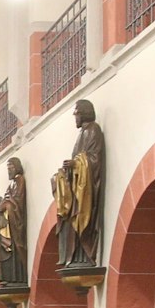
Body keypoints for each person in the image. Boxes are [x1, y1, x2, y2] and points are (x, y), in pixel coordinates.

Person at [52, 100, 106, 271]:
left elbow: (93, 159)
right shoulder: (82, 134)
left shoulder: (93, 130)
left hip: (86, 191)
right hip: (78, 189)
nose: (74, 117)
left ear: (84, 113)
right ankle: (74, 257)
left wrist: (76, 165)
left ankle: (84, 257)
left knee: (81, 217)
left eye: (76, 113)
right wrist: (65, 172)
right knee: (68, 216)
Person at [0, 157, 27, 288]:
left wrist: (7, 205)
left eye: (10, 168)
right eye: (7, 169)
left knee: (13, 249)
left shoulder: (20, 180)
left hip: (14, 226)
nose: (9, 171)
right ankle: (7, 277)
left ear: (16, 167)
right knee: (3, 247)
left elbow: (17, 201)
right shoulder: (10, 185)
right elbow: (7, 199)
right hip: (7, 226)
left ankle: (16, 278)